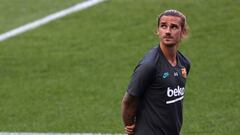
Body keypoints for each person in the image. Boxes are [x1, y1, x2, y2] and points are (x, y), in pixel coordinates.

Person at [121, 9, 191, 135]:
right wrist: (129, 125)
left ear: (183, 32)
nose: (168, 31)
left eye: (174, 27)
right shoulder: (149, 65)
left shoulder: (184, 63)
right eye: (163, 26)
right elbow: (128, 101)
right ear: (158, 30)